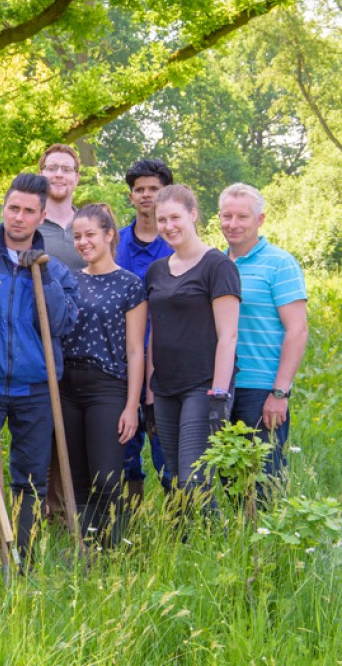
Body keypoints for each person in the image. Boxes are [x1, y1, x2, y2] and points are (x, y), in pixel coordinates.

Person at [0, 173, 78, 578]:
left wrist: (44, 275)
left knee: (31, 480)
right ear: (4, 208)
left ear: (41, 216)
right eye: (13, 208)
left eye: (28, 211)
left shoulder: (54, 267)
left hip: (36, 389)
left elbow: (60, 323)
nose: (19, 217)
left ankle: (21, 564)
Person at [146, 185, 240, 507]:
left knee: (194, 479)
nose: (168, 226)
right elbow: (153, 333)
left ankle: (216, 545)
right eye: (162, 220)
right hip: (165, 387)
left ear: (193, 215)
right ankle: (190, 548)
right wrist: (149, 391)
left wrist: (218, 394)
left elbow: (228, 336)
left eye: (175, 217)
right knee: (174, 478)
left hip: (203, 386)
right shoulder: (156, 270)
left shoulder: (218, 266)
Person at [59, 204, 146, 546]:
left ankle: (114, 549)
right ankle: (87, 549)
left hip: (107, 387)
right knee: (77, 477)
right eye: (77, 236)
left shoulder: (130, 284)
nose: (82, 242)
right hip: (67, 385)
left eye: (90, 234)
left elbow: (136, 349)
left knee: (106, 476)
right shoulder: (69, 280)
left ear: (110, 235)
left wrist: (131, 405)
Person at [219, 183, 307, 496]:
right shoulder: (215, 264)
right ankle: (236, 543)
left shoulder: (280, 264)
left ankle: (268, 544)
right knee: (229, 480)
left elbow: (297, 330)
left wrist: (280, 392)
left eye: (242, 216)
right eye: (227, 215)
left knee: (265, 481)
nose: (233, 223)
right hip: (221, 387)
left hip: (262, 388)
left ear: (260, 220)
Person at [116, 158, 175, 498]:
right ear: (131, 197)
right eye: (140, 190)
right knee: (123, 449)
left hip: (165, 364)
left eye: (155, 189)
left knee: (165, 449)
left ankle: (180, 523)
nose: (147, 195)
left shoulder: (178, 244)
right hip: (119, 362)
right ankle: (128, 521)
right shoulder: (115, 242)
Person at [37, 144, 86, 270]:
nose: (59, 174)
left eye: (66, 169)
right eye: (52, 168)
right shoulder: (26, 225)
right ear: (40, 175)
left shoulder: (91, 225)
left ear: (77, 178)